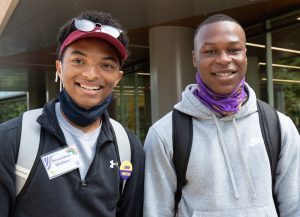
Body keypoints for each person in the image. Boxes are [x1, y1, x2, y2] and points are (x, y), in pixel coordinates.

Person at [143, 14, 300, 217]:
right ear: (194, 58)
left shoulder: (279, 126)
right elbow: (156, 211)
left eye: (234, 50)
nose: (224, 59)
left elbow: (294, 206)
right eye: (210, 51)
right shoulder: (165, 133)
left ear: (245, 54)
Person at [0, 10, 144, 217]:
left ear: (118, 77)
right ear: (59, 67)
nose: (91, 74)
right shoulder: (11, 139)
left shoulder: (128, 147)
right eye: (78, 61)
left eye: (106, 65)